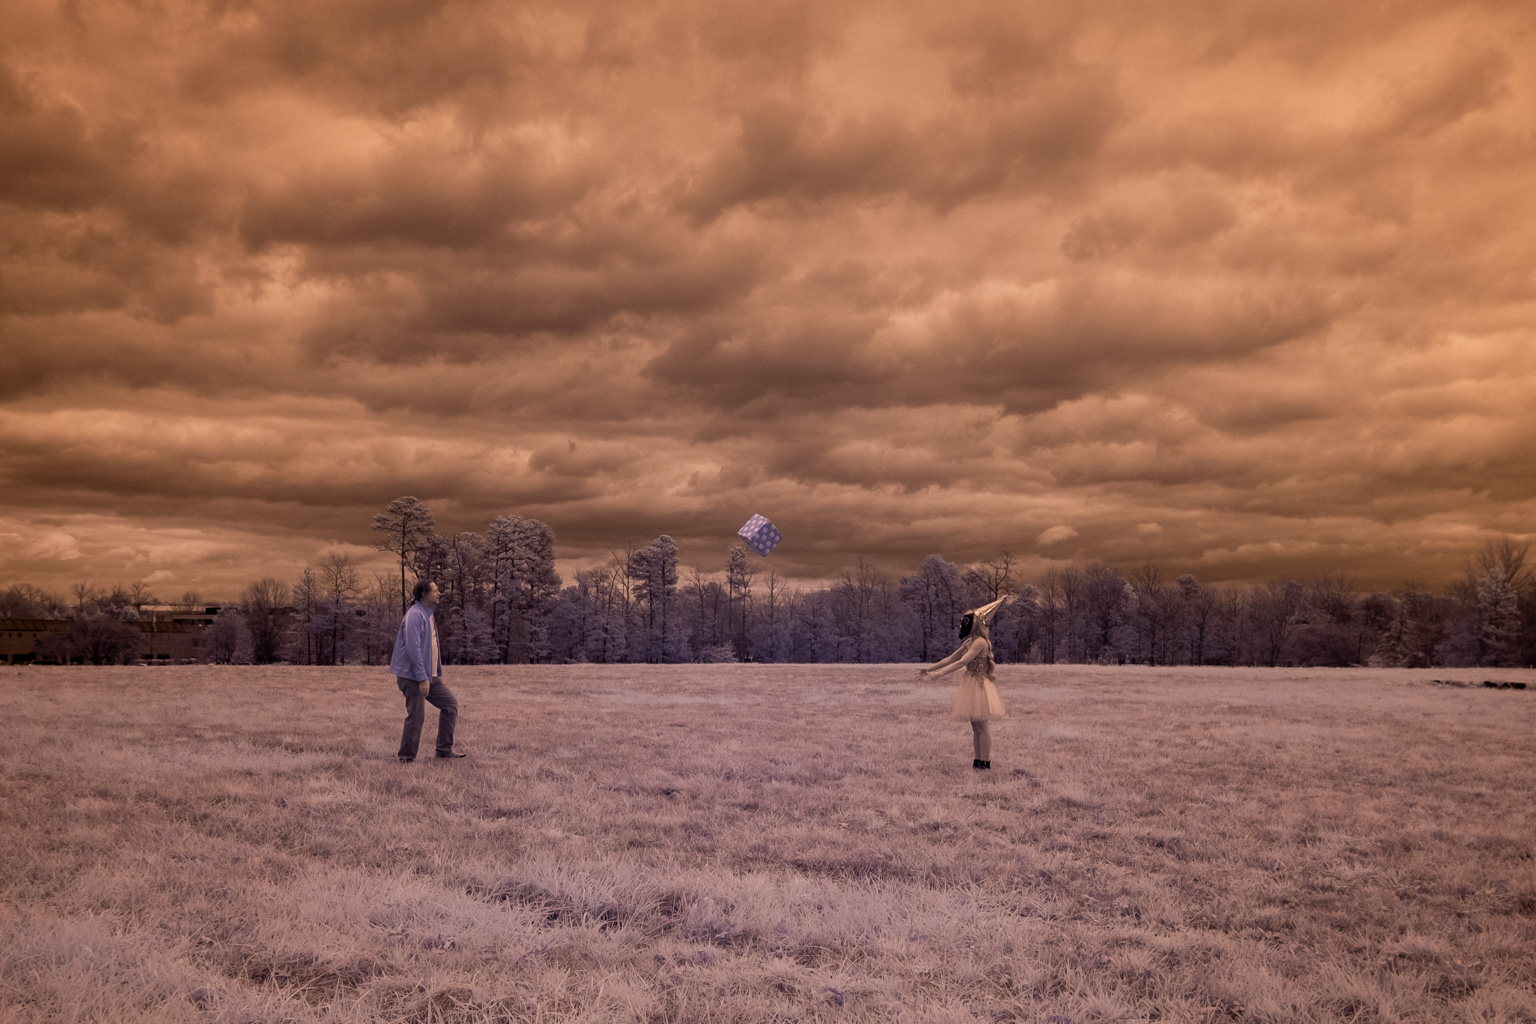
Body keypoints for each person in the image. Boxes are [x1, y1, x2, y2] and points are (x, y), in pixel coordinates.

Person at [918, 594, 1012, 769]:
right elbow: (951, 658)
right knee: (975, 726)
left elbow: (962, 662)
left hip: (979, 686)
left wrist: (940, 674)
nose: (963, 624)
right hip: (971, 684)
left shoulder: (980, 643)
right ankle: (978, 761)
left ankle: (985, 762)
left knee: (982, 726)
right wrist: (930, 669)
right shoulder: (971, 641)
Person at [389, 579, 465, 762]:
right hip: (413, 676)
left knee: (450, 705)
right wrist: (422, 678)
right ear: (424, 594)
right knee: (416, 716)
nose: (439, 593)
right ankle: (406, 758)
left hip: (429, 676)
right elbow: (413, 649)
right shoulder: (415, 615)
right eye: (435, 591)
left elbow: (430, 646)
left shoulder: (427, 613)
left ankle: (444, 750)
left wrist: (434, 673)